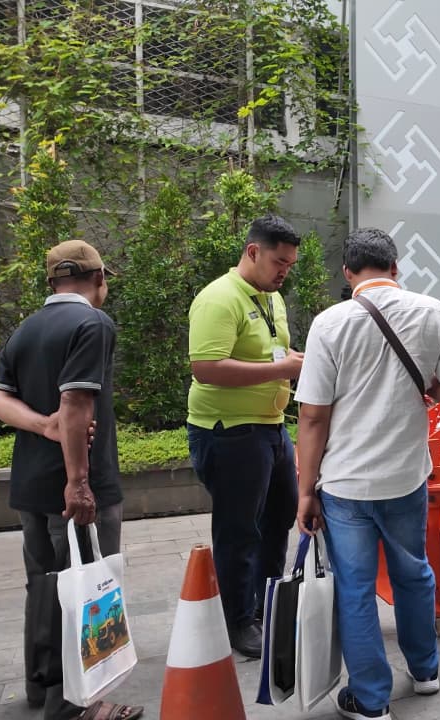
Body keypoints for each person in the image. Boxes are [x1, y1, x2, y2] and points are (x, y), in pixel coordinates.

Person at [294, 228, 440, 720]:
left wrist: (305, 492)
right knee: (413, 573)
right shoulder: (434, 312)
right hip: (406, 477)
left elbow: (313, 417)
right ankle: (426, 671)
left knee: (356, 588)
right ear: (395, 267)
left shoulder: (329, 323)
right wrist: (423, 382)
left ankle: (371, 701)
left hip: (345, 484)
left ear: (348, 273)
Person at [0, 240, 143, 720]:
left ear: (52, 282)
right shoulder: (93, 323)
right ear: (99, 278)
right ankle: (77, 704)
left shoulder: (26, 328)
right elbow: (75, 403)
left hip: (31, 484)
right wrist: (79, 482)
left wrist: (42, 426)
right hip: (74, 487)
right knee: (87, 588)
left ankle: (42, 687)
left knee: (44, 586)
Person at [186, 215, 304, 658]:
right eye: (279, 262)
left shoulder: (272, 298)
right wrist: (282, 368)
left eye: (290, 265)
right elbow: (206, 367)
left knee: (279, 517)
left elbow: (270, 353)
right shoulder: (219, 298)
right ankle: (238, 621)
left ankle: (265, 606)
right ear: (253, 252)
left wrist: (294, 360)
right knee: (239, 528)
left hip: (271, 427)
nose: (284, 272)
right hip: (229, 432)